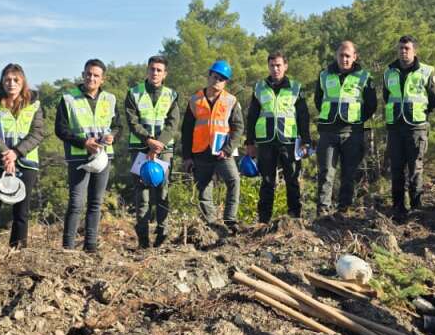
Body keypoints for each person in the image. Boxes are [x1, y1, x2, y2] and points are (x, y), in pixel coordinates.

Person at [0, 64, 46, 248]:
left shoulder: (34, 105)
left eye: (15, 80)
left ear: (23, 82)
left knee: (21, 211)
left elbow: (37, 133)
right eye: (7, 80)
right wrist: (6, 154)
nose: (11, 83)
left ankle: (18, 250)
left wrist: (16, 153)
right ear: (2, 82)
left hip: (26, 162)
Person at [55, 59, 117, 252]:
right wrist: (83, 143)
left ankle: (91, 247)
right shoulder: (68, 99)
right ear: (83, 75)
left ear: (103, 79)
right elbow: (60, 129)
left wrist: (113, 136)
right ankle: (68, 248)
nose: (92, 78)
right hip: (78, 157)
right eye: (88, 74)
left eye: (96, 75)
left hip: (102, 157)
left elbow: (118, 126)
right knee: (76, 203)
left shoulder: (110, 99)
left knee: (95, 203)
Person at [244, 51, 312, 223]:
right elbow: (252, 116)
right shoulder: (259, 87)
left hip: (289, 141)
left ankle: (295, 218)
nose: (275, 69)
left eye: (278, 65)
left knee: (292, 180)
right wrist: (250, 142)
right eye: (272, 66)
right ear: (268, 67)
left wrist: (306, 141)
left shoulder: (295, 88)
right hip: (266, 141)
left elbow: (303, 116)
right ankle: (263, 221)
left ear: (285, 66)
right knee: (267, 182)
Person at [123, 55, 182, 247]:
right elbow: (132, 121)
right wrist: (148, 140)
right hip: (140, 149)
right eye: (152, 69)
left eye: (159, 70)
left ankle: (162, 236)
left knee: (163, 191)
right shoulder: (134, 93)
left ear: (165, 74)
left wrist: (159, 144)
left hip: (164, 150)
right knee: (142, 195)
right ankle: (143, 240)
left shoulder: (171, 95)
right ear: (147, 70)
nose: (155, 73)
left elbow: (173, 123)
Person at [314, 40, 378, 216]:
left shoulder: (364, 77)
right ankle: (323, 210)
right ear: (336, 56)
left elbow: (371, 105)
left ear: (354, 57)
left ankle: (344, 210)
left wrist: (357, 120)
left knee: (349, 174)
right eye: (341, 55)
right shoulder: (324, 75)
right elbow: (319, 100)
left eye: (348, 56)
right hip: (328, 131)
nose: (344, 59)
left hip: (352, 132)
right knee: (326, 173)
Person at [383, 35, 435, 222]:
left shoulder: (426, 71)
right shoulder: (389, 72)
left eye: (407, 48)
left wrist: (422, 111)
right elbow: (387, 96)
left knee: (415, 167)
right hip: (395, 126)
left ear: (414, 50)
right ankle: (398, 207)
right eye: (400, 48)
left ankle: (416, 208)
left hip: (416, 127)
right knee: (396, 168)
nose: (403, 51)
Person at [181, 60, 245, 234]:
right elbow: (186, 130)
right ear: (209, 76)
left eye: (222, 79)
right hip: (200, 152)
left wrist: (228, 149)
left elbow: (238, 128)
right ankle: (211, 225)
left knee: (234, 181)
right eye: (215, 76)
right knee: (203, 189)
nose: (217, 80)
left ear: (226, 82)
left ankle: (230, 220)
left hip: (223, 153)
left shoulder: (231, 101)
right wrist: (187, 157)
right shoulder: (195, 100)